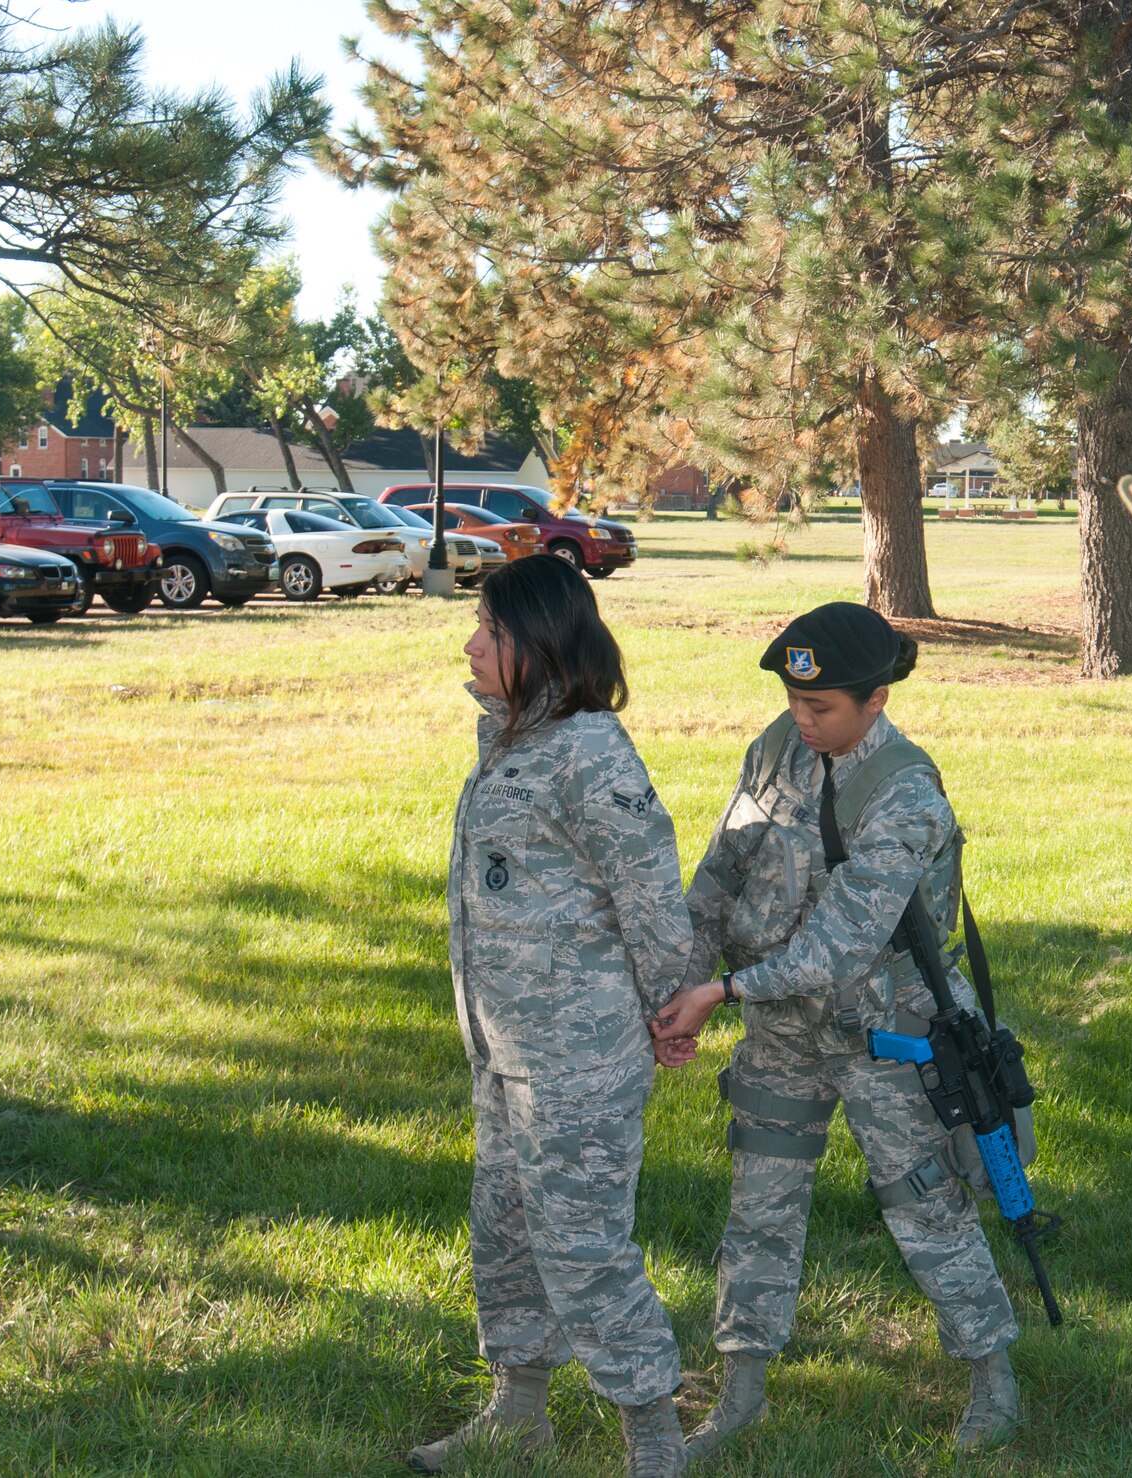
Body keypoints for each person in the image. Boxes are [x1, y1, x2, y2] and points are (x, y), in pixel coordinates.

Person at [650, 602, 1021, 1463]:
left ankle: (990, 1378)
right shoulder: (777, 749)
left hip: (884, 1031)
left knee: (924, 1198)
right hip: (779, 1027)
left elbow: (842, 940)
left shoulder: (906, 794)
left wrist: (727, 990)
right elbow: (720, 872)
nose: (802, 718)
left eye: (822, 709)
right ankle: (742, 1391)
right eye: (793, 701)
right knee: (760, 1199)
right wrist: (684, 983)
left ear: (877, 700)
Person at [412, 554, 691, 1477]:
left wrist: (672, 1011)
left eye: (491, 631)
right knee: (505, 1229)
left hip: (578, 1058)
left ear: (539, 643)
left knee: (582, 1248)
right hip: (507, 1051)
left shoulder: (591, 755)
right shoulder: (509, 737)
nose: (471, 644)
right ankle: (517, 1412)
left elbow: (651, 899)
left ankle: (654, 1438)